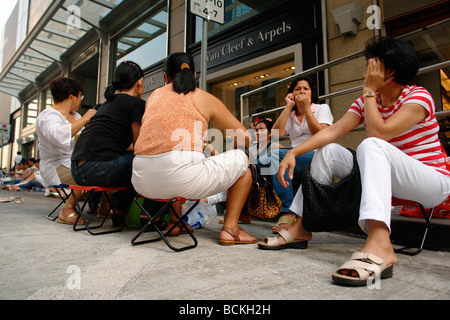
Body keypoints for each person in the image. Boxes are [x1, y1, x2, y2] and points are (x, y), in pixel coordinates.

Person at [258, 37, 450, 286]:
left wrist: (369, 90)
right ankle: (301, 227)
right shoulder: (368, 102)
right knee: (327, 150)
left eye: (370, 67)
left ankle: (381, 243)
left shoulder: (418, 97)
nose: (364, 73)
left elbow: (380, 133)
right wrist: (293, 153)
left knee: (371, 144)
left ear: (389, 72)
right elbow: (331, 132)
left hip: (430, 183)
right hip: (390, 182)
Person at [132, 52, 257, 245]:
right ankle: (231, 230)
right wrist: (235, 151)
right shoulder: (204, 97)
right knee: (244, 165)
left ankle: (176, 222)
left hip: (141, 182)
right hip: (180, 178)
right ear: (194, 75)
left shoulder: (154, 96)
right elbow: (245, 136)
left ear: (166, 77)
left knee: (182, 160)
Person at [71, 61, 146, 225]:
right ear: (139, 82)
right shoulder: (136, 104)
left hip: (77, 169)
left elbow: (113, 142)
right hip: (96, 169)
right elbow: (140, 147)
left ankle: (108, 209)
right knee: (142, 164)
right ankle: (121, 214)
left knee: (131, 161)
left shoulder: (105, 104)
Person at [268, 76, 333, 233]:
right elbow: (275, 134)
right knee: (266, 157)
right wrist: (288, 107)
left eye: (306, 88)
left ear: (311, 93)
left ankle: (287, 211)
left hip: (316, 154)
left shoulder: (322, 109)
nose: (302, 91)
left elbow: (321, 135)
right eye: (298, 89)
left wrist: (307, 110)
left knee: (276, 155)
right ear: (292, 94)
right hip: (295, 156)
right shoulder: (290, 114)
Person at [36, 77, 97, 224]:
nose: (80, 100)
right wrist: (86, 118)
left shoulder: (75, 116)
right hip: (55, 165)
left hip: (74, 161)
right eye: (80, 96)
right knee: (89, 173)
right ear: (72, 95)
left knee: (103, 168)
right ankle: (67, 209)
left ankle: (102, 207)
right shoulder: (48, 116)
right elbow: (57, 135)